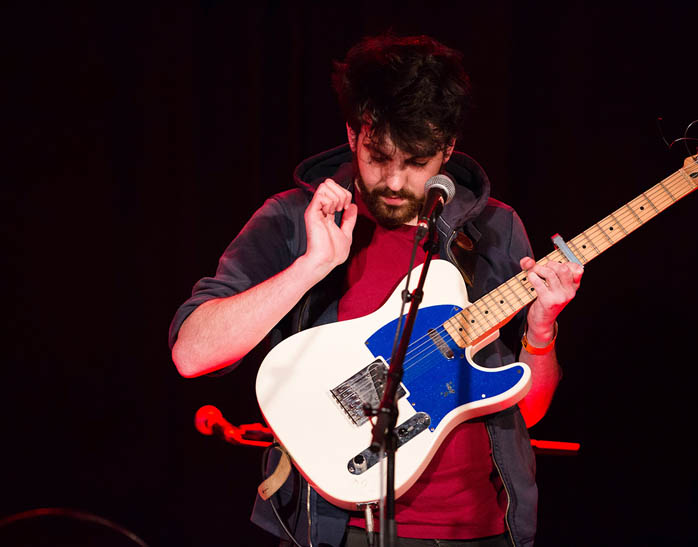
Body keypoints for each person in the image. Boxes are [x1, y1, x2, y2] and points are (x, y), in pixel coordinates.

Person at [169, 34, 583, 547]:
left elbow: (526, 410)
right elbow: (191, 353)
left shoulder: (496, 231)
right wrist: (311, 265)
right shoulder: (293, 221)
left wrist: (541, 331)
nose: (393, 179)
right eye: (378, 155)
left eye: (414, 161)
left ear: (448, 149)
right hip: (337, 530)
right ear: (352, 134)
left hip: (478, 530)